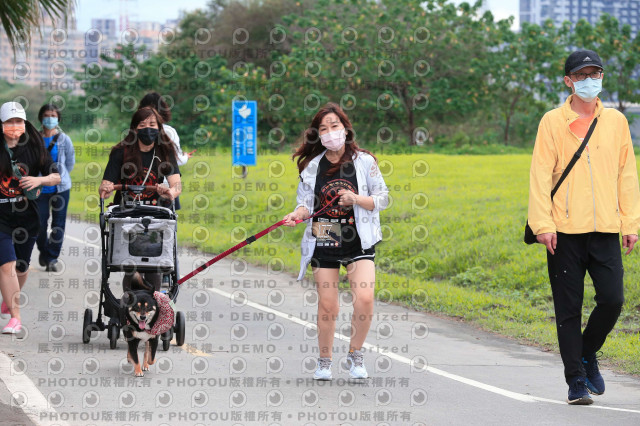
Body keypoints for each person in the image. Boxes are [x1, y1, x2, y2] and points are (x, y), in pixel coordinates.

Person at [528, 50, 640, 405]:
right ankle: (575, 380)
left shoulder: (616, 121)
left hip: (606, 227)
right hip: (563, 231)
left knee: (613, 299)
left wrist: (630, 222)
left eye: (595, 74)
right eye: (581, 75)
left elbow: (626, 175)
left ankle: (588, 352)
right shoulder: (551, 122)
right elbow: (540, 175)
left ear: (602, 77)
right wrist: (542, 223)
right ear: (568, 81)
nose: (589, 81)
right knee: (568, 309)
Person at [283, 103, 389, 380]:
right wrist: (296, 214)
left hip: (358, 235)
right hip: (326, 232)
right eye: (324, 129)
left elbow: (382, 198)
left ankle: (355, 354)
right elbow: (305, 205)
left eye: (335, 126)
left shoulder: (365, 162)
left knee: (364, 298)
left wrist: (356, 199)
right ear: (317, 135)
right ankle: (324, 361)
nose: (330, 133)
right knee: (329, 305)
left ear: (345, 128)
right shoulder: (312, 166)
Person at [98, 107, 182, 292]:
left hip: (155, 213)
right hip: (127, 213)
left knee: (154, 263)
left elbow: (176, 185)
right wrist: (106, 189)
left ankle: (153, 301)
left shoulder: (165, 152)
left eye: (152, 124)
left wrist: (169, 192)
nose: (148, 129)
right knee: (131, 263)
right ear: (134, 129)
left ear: (159, 127)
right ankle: (131, 302)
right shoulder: (121, 152)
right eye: (142, 125)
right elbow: (106, 184)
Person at [0, 102, 60, 333]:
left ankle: (10, 298)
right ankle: (16, 318)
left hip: (27, 215)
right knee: (6, 264)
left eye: (18, 121)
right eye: (9, 121)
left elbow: (56, 176)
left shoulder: (34, 147)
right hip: (2, 216)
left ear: (24, 123)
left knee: (21, 267)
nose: (14, 125)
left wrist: (39, 180)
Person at [35, 104, 75, 272]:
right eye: (46, 115)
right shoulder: (34, 139)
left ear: (58, 118)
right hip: (38, 188)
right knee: (38, 224)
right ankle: (44, 251)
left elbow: (69, 163)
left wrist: (59, 177)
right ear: (41, 117)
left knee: (58, 224)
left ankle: (51, 258)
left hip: (61, 188)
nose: (50, 118)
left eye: (53, 115)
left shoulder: (64, 139)